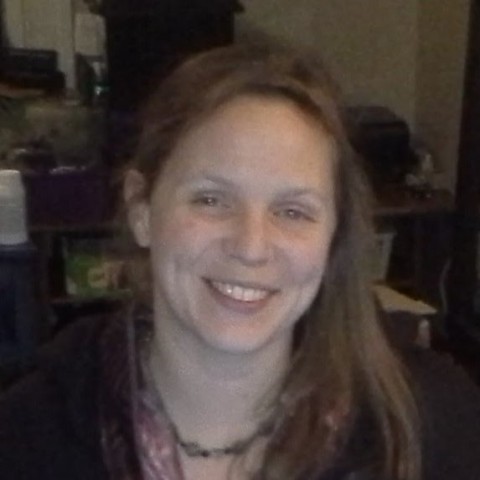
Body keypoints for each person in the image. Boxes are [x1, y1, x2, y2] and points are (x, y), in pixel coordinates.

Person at [1, 42, 480, 480]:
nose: (251, 246)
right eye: (211, 200)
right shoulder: (25, 439)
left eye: (292, 211)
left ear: (334, 233)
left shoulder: (434, 426)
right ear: (142, 210)